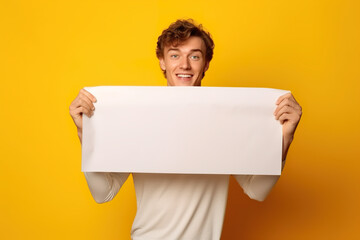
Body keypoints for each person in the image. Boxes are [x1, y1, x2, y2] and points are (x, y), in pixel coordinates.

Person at [69, 19, 302, 240]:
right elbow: (103, 193)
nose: (184, 65)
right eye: (175, 55)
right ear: (162, 61)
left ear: (206, 63)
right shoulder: (138, 115)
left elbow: (256, 189)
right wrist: (86, 135)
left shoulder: (225, 120)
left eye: (194, 56)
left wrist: (285, 137)